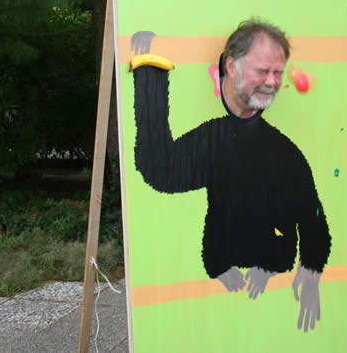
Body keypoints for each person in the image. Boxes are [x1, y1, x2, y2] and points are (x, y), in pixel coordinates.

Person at [131, 19, 331, 332]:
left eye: (278, 72)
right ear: (231, 66)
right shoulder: (212, 138)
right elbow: (160, 171)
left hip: (272, 265)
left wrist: (311, 268)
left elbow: (312, 215)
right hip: (219, 266)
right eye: (262, 71)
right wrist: (150, 75)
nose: (272, 82)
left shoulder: (284, 151)